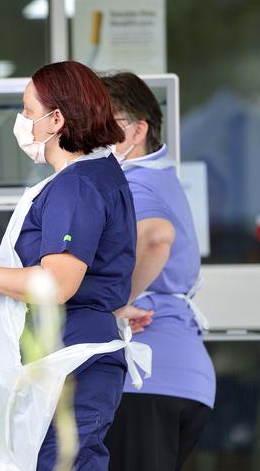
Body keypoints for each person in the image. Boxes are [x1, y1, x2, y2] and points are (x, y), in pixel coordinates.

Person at [0, 61, 137, 470]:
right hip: (72, 357)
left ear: (57, 120)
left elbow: (57, 284)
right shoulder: (96, 175)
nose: (23, 122)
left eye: (28, 112)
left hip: (72, 359)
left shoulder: (77, 185)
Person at [102, 72, 216, 471]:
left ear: (138, 130)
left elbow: (154, 239)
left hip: (148, 378)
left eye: (105, 123)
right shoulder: (160, 176)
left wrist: (113, 304)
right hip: (180, 377)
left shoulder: (135, 184)